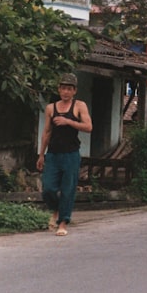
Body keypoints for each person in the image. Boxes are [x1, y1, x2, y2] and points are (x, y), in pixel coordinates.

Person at [37, 73, 92, 237]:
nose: (66, 92)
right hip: (53, 154)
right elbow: (47, 132)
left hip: (71, 154)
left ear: (74, 91)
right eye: (63, 88)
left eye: (69, 89)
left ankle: (63, 222)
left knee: (68, 190)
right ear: (59, 89)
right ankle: (56, 209)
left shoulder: (79, 106)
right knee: (48, 189)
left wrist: (68, 121)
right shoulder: (51, 108)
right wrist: (41, 154)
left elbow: (88, 127)